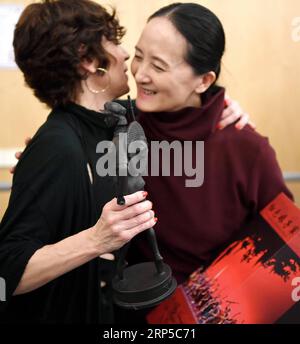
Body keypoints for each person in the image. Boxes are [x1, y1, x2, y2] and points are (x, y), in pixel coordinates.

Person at [0, 0, 248, 324]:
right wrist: (95, 240)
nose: (126, 54)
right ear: (89, 61)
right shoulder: (57, 146)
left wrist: (217, 105)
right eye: (114, 42)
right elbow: (6, 270)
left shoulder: (109, 125)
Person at [123, 1, 293, 313]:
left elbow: (285, 246)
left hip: (219, 312)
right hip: (134, 311)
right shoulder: (122, 126)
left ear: (204, 80)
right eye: (138, 56)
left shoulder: (244, 147)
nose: (140, 74)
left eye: (158, 66)